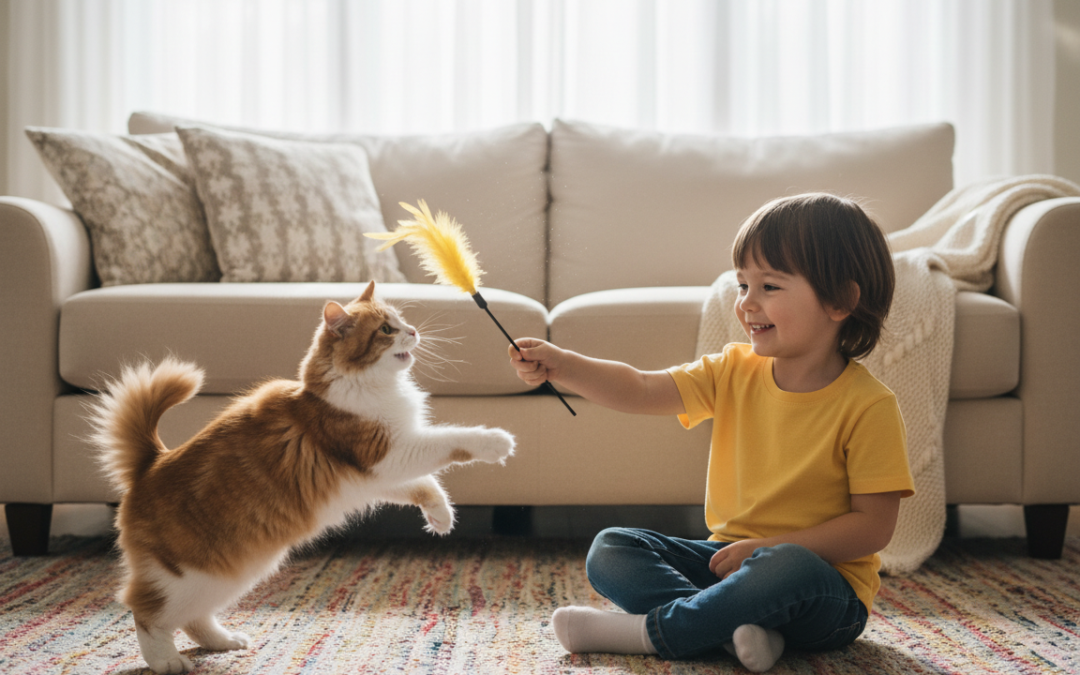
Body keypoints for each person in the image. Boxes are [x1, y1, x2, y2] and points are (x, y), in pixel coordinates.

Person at [508, 193, 915, 672]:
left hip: (822, 587)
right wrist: (564, 366)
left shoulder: (869, 406)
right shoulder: (731, 370)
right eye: (743, 285)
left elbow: (872, 528)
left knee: (787, 566)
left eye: (769, 286)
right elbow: (641, 389)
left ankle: (651, 633)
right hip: (725, 563)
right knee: (613, 547)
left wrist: (766, 550)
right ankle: (732, 632)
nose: (746, 303)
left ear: (840, 301)